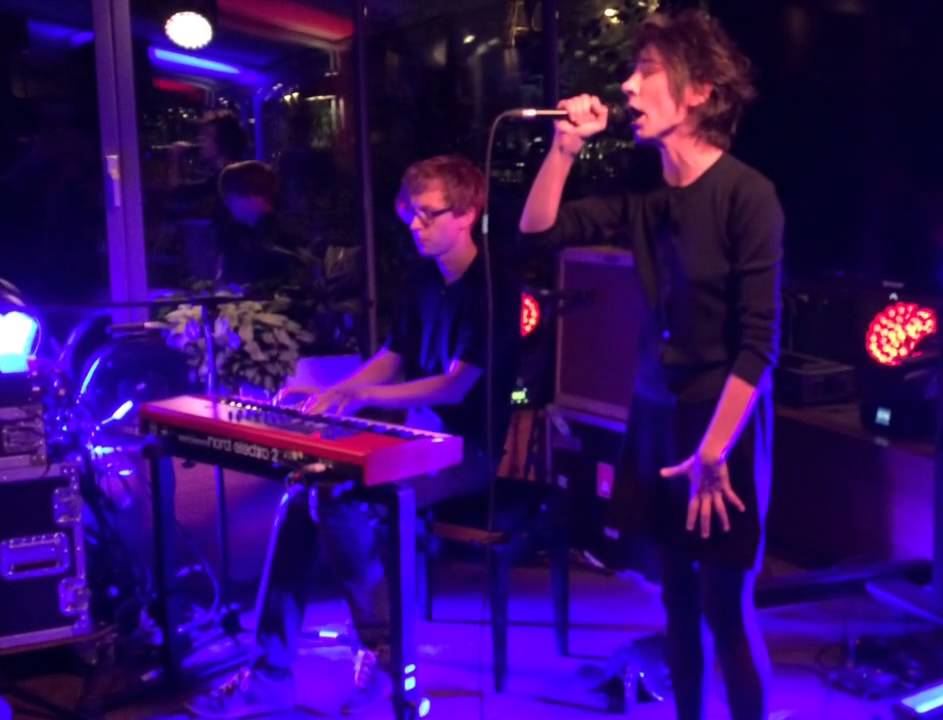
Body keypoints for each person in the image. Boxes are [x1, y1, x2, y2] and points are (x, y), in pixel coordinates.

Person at [518, 10, 782, 720]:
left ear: (699, 91)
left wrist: (714, 451)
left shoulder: (747, 194)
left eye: (648, 71)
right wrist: (564, 149)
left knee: (725, 607)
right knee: (677, 601)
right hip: (657, 415)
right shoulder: (645, 194)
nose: (629, 86)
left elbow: (759, 343)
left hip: (721, 423)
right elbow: (537, 230)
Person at [187, 154, 520, 718]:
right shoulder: (424, 276)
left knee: (341, 499)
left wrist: (362, 396)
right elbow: (393, 355)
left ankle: (384, 655)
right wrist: (335, 394)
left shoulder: (493, 288)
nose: (415, 226)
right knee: (301, 493)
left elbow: (454, 386)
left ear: (467, 215)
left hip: (469, 452)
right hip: (416, 438)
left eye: (429, 214)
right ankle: (270, 674)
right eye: (410, 215)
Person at [214, 160, 299, 289]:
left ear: (254, 196)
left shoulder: (285, 236)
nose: (227, 203)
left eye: (231, 195)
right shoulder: (237, 235)